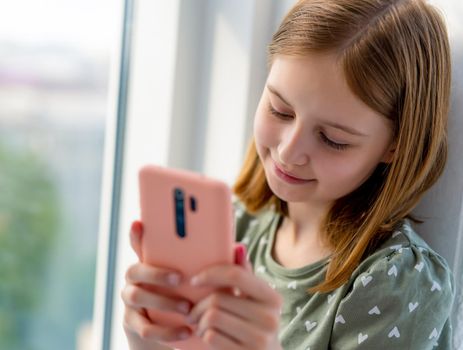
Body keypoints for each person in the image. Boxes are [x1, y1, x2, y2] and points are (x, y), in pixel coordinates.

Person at [121, 0, 455, 349]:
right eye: (280, 110)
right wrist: (148, 339)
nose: (287, 152)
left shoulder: (397, 281)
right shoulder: (235, 227)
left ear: (395, 145)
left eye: (332, 139)